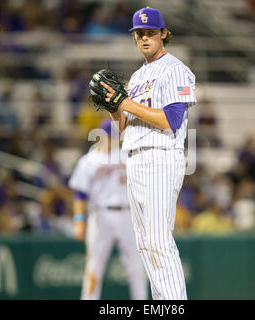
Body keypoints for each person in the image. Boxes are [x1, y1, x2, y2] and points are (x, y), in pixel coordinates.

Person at [99, 7, 196, 299]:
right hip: (136, 157)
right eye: (139, 33)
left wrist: (126, 103)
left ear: (164, 33)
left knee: (157, 240)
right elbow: (125, 127)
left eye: (151, 32)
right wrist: (116, 108)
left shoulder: (175, 68)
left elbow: (171, 120)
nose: (144, 38)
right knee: (144, 243)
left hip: (161, 155)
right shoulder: (138, 76)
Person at [68, 119, 147, 300]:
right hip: (100, 215)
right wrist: (79, 220)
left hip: (129, 216)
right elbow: (80, 193)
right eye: (110, 137)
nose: (114, 140)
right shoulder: (89, 160)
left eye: (115, 137)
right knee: (94, 266)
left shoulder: (128, 155)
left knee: (136, 267)